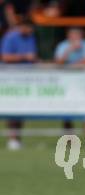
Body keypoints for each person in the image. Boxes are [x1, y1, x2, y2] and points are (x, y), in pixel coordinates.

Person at [1, 18, 36, 150]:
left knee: (21, 109)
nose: (31, 31)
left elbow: (32, 56)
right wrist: (25, 57)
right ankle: (12, 139)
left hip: (26, 77)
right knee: (12, 109)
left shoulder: (31, 37)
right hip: (11, 78)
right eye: (29, 27)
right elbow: (5, 57)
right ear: (22, 26)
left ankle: (18, 139)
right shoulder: (10, 37)